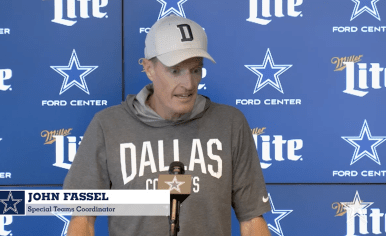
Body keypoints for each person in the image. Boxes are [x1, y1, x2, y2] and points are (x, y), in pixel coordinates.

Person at [63, 14, 271, 236]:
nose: (188, 84)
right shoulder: (107, 125)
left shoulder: (230, 124)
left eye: (195, 70)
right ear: (148, 68)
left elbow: (251, 220)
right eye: (175, 71)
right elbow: (82, 220)